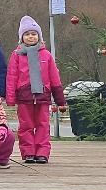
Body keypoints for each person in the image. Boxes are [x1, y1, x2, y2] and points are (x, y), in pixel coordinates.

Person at [6, 16, 64, 164]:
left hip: (43, 95)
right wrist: (10, 98)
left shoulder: (46, 55)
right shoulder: (17, 54)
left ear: (39, 36)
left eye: (33, 34)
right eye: (27, 34)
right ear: (21, 37)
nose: (30, 37)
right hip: (24, 95)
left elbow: (54, 76)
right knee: (26, 125)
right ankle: (28, 152)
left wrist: (59, 98)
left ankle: (42, 152)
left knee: (43, 125)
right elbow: (12, 76)